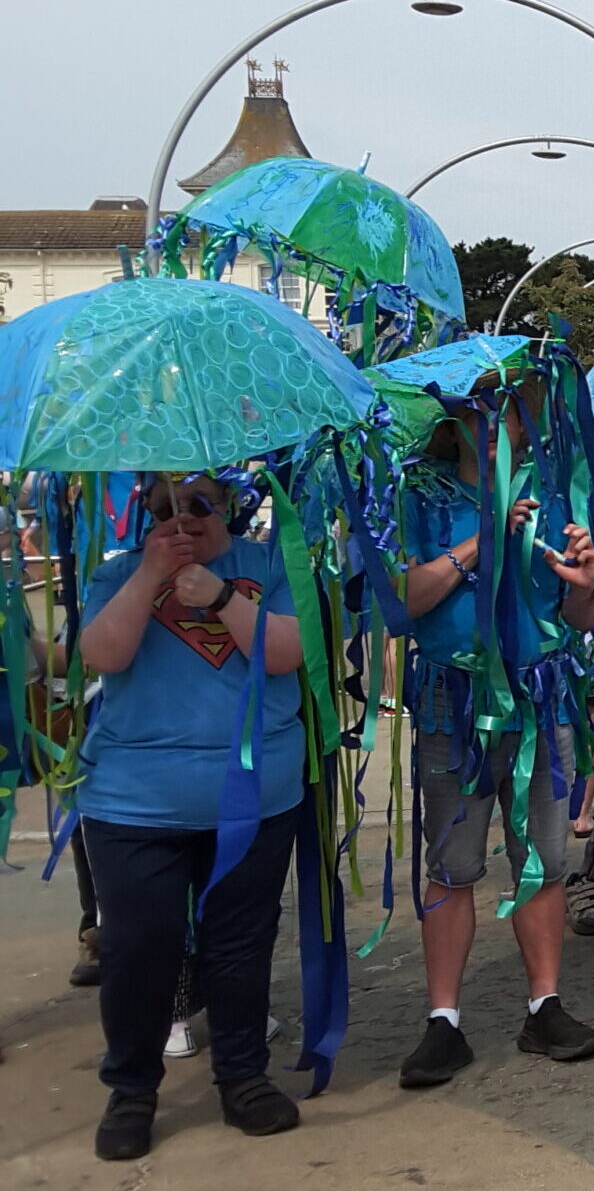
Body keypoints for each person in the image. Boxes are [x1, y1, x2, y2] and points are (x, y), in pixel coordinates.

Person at [77, 473, 305, 1159]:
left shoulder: (270, 565)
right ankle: (133, 1090)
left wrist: (222, 596)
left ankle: (243, 1078)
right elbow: (102, 654)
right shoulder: (116, 574)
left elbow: (286, 655)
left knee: (240, 946)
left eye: (202, 504)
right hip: (133, 802)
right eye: (166, 508)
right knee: (139, 946)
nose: (186, 519)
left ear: (228, 508)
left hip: (254, 798)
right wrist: (150, 574)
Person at [393, 394, 594, 1088]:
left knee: (543, 858)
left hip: (538, 701)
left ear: (526, 423)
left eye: (506, 412)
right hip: (450, 703)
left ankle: (544, 1006)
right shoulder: (420, 496)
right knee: (451, 861)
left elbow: (581, 617)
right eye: (475, 413)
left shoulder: (553, 498)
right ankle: (443, 1022)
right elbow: (401, 600)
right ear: (452, 423)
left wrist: (585, 584)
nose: (491, 426)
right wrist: (476, 544)